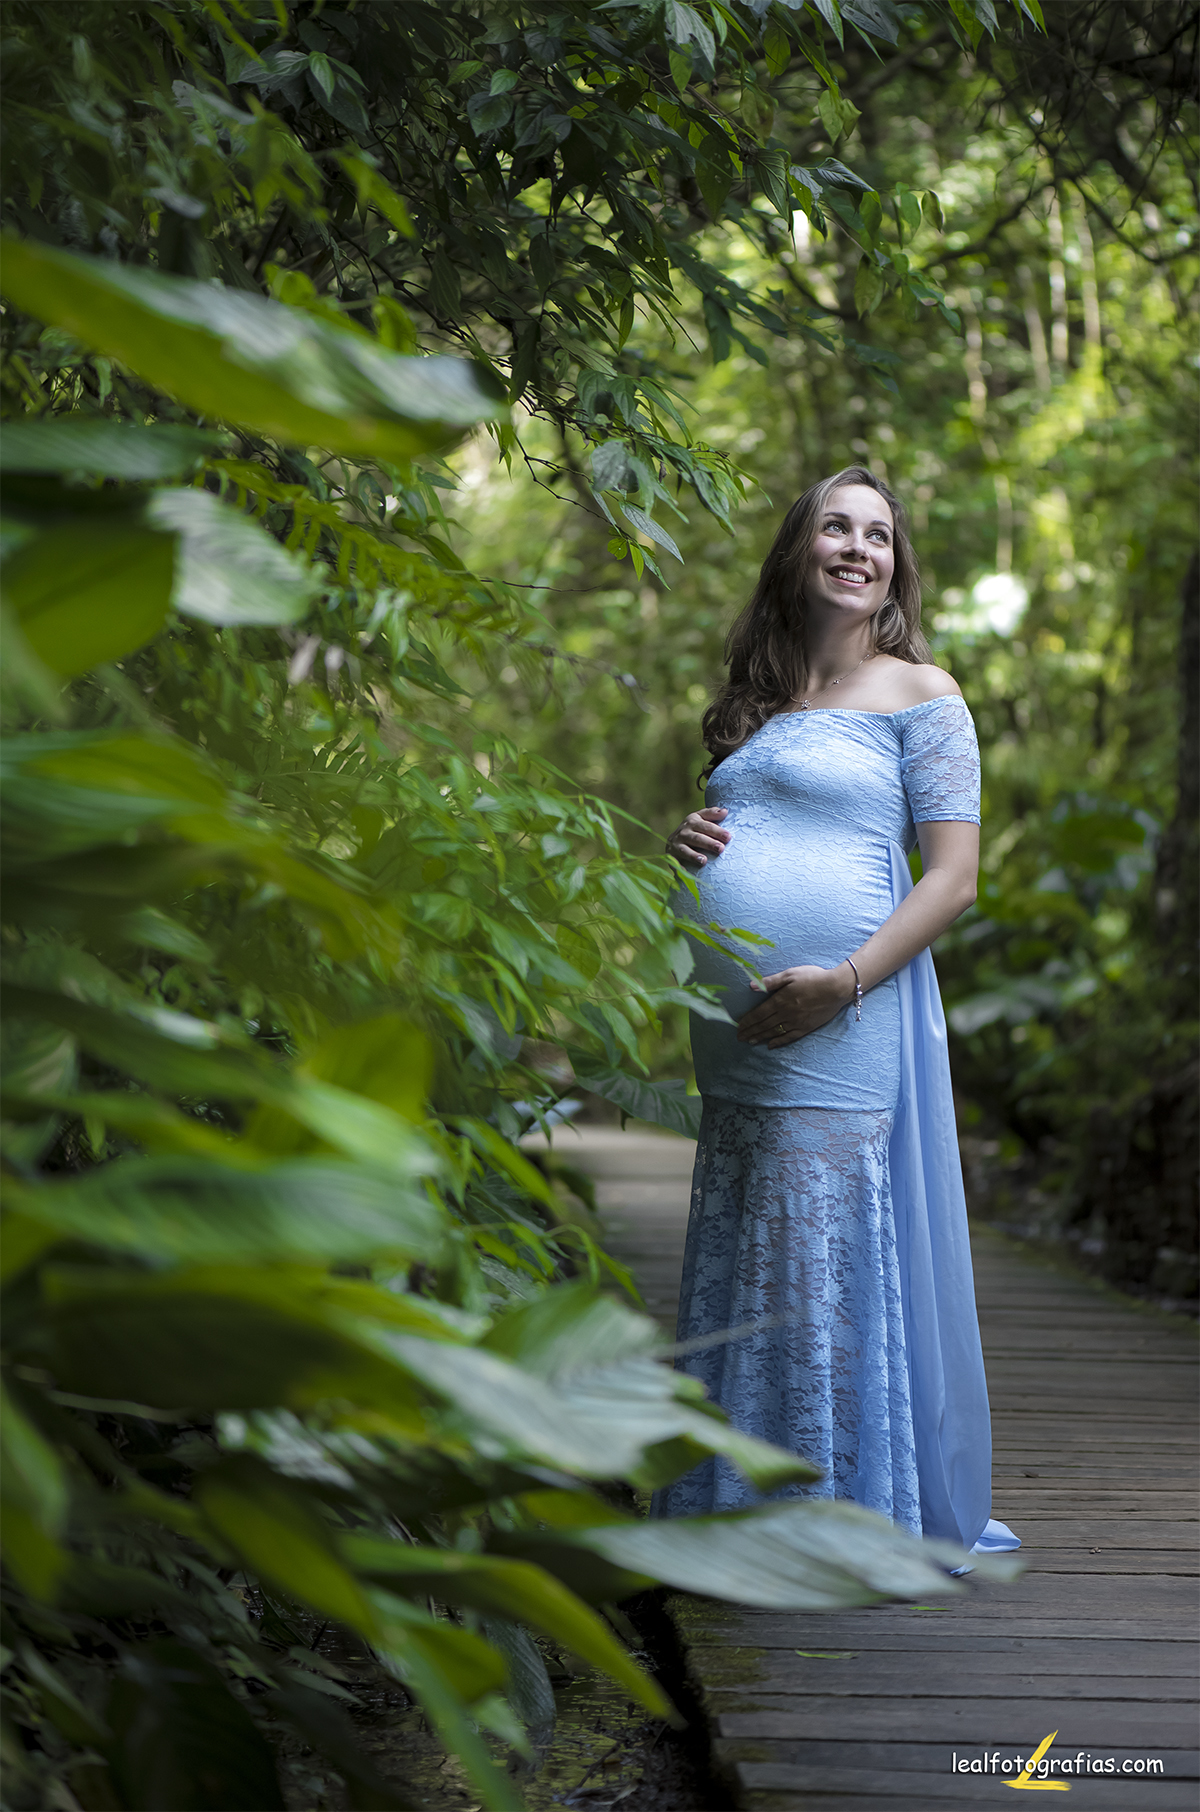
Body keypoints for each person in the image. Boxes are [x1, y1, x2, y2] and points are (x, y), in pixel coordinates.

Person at [658, 466, 1018, 1560]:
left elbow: (952, 879)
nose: (858, 548)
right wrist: (684, 850)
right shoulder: (758, 704)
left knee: (822, 1244)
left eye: (879, 535)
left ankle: (826, 1519)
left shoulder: (924, 691)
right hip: (736, 1035)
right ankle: (732, 1507)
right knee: (748, 1236)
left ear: (898, 566)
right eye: (836, 528)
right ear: (798, 551)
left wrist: (843, 981)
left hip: (848, 1012)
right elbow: (743, 841)